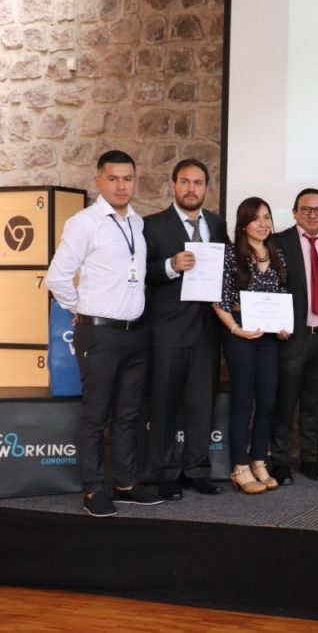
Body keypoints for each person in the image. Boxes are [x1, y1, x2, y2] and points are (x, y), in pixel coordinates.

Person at [46, 149, 163, 516]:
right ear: (98, 180)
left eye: (127, 178)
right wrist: (78, 309)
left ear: (135, 181)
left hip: (135, 332)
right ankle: (94, 488)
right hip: (100, 334)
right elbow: (57, 277)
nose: (121, 185)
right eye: (113, 178)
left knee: (129, 413)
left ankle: (125, 483)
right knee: (96, 413)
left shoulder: (137, 223)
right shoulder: (84, 223)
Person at [143, 158, 229, 500]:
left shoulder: (217, 224)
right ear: (174, 185)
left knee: (200, 405)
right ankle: (165, 473)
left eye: (198, 183)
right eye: (185, 182)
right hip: (167, 331)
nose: (192, 188)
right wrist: (170, 265)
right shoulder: (152, 226)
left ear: (206, 187)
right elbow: (139, 273)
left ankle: (197, 470)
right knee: (164, 405)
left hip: (207, 332)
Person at [212, 197, 291, 494]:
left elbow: (281, 296)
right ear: (243, 224)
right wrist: (235, 329)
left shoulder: (277, 253)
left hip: (269, 338)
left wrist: (283, 327)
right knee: (243, 401)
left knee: (268, 400)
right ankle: (240, 466)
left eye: (267, 217)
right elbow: (218, 300)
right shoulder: (232, 255)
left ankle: (259, 460)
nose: (263, 223)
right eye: (256, 218)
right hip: (240, 336)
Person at [270, 189, 318, 485]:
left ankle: (310, 459)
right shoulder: (278, 243)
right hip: (291, 337)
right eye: (306, 209)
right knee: (285, 402)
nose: (313, 215)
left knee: (315, 404)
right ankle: (280, 461)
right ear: (294, 212)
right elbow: (269, 288)